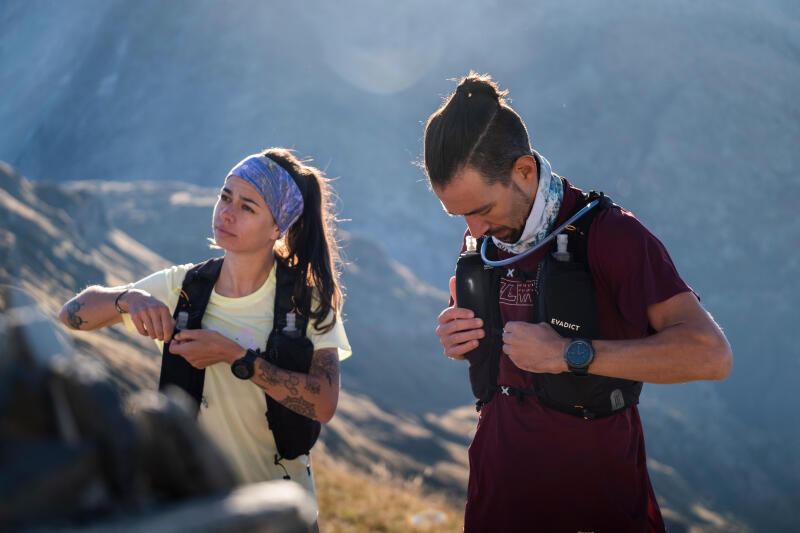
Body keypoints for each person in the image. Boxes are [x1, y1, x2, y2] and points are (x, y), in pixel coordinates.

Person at [425, 73, 732, 532]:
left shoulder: (612, 236)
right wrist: (460, 337)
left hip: (595, 506)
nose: (473, 229)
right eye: (460, 215)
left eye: (482, 209)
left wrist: (570, 354)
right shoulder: (487, 243)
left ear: (524, 172)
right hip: (495, 503)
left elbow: (711, 355)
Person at [59, 148, 351, 519]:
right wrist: (127, 299)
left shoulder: (307, 302)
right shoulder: (185, 287)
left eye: (248, 207)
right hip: (193, 508)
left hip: (279, 513)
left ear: (278, 227)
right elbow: (70, 315)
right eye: (225, 197)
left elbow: (324, 403)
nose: (226, 212)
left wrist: (236, 357)